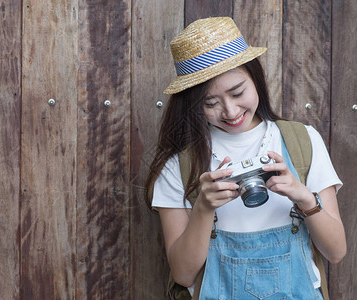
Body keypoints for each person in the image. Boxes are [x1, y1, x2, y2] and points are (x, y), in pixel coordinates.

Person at [145, 17, 346, 299]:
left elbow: (336, 252)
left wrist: (303, 197)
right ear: (192, 105)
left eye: (238, 92)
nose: (230, 111)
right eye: (210, 103)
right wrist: (204, 207)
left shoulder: (302, 141)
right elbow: (182, 274)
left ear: (256, 79)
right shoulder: (179, 166)